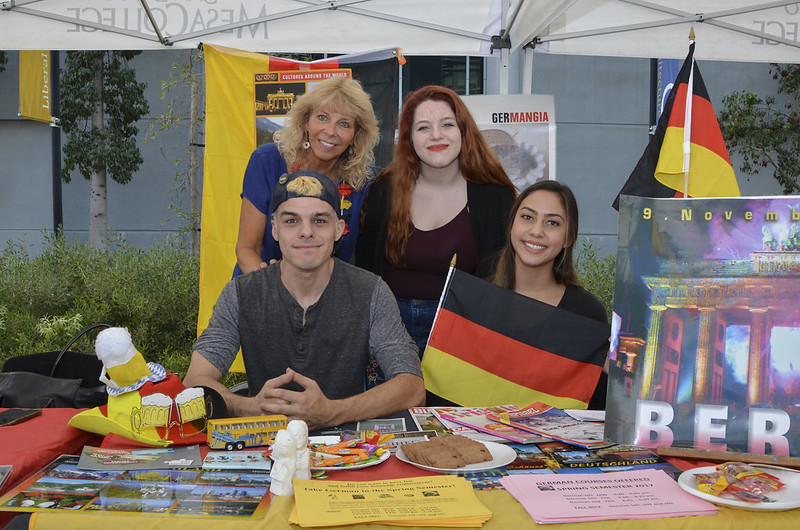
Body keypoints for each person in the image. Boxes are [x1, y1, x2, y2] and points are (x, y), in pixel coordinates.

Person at [184, 170, 425, 431]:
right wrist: (251, 407)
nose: (306, 232)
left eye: (319, 220)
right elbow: (193, 382)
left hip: (347, 447)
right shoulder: (241, 293)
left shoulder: (371, 291)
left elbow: (412, 387)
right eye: (292, 221)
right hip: (265, 444)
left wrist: (331, 412)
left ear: (339, 229)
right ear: (275, 229)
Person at [356, 85, 516, 372]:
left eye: (447, 124)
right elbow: (365, 267)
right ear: (409, 138)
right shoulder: (385, 190)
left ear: (464, 130)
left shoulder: (494, 195)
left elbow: (503, 277)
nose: (436, 135)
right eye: (423, 127)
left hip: (462, 334)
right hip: (389, 329)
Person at [234, 76, 379, 276]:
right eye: (322, 117)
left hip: (326, 292)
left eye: (344, 124)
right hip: (260, 284)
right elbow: (246, 249)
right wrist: (271, 287)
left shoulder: (362, 179)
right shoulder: (267, 161)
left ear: (356, 135)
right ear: (305, 121)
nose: (331, 131)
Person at [492, 180, 609, 409]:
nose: (537, 231)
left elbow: (594, 407)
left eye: (552, 223)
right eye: (527, 217)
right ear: (511, 226)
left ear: (568, 238)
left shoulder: (586, 313)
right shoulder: (475, 300)